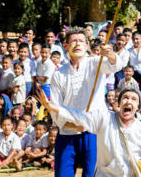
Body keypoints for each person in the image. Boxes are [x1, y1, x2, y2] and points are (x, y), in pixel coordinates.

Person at [50, 27, 123, 177]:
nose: (78, 44)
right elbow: (55, 108)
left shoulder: (96, 63)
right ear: (66, 46)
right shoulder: (58, 74)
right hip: (67, 134)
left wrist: (110, 54)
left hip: (93, 134)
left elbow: (117, 65)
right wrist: (73, 124)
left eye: (82, 41)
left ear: (87, 46)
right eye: (74, 41)